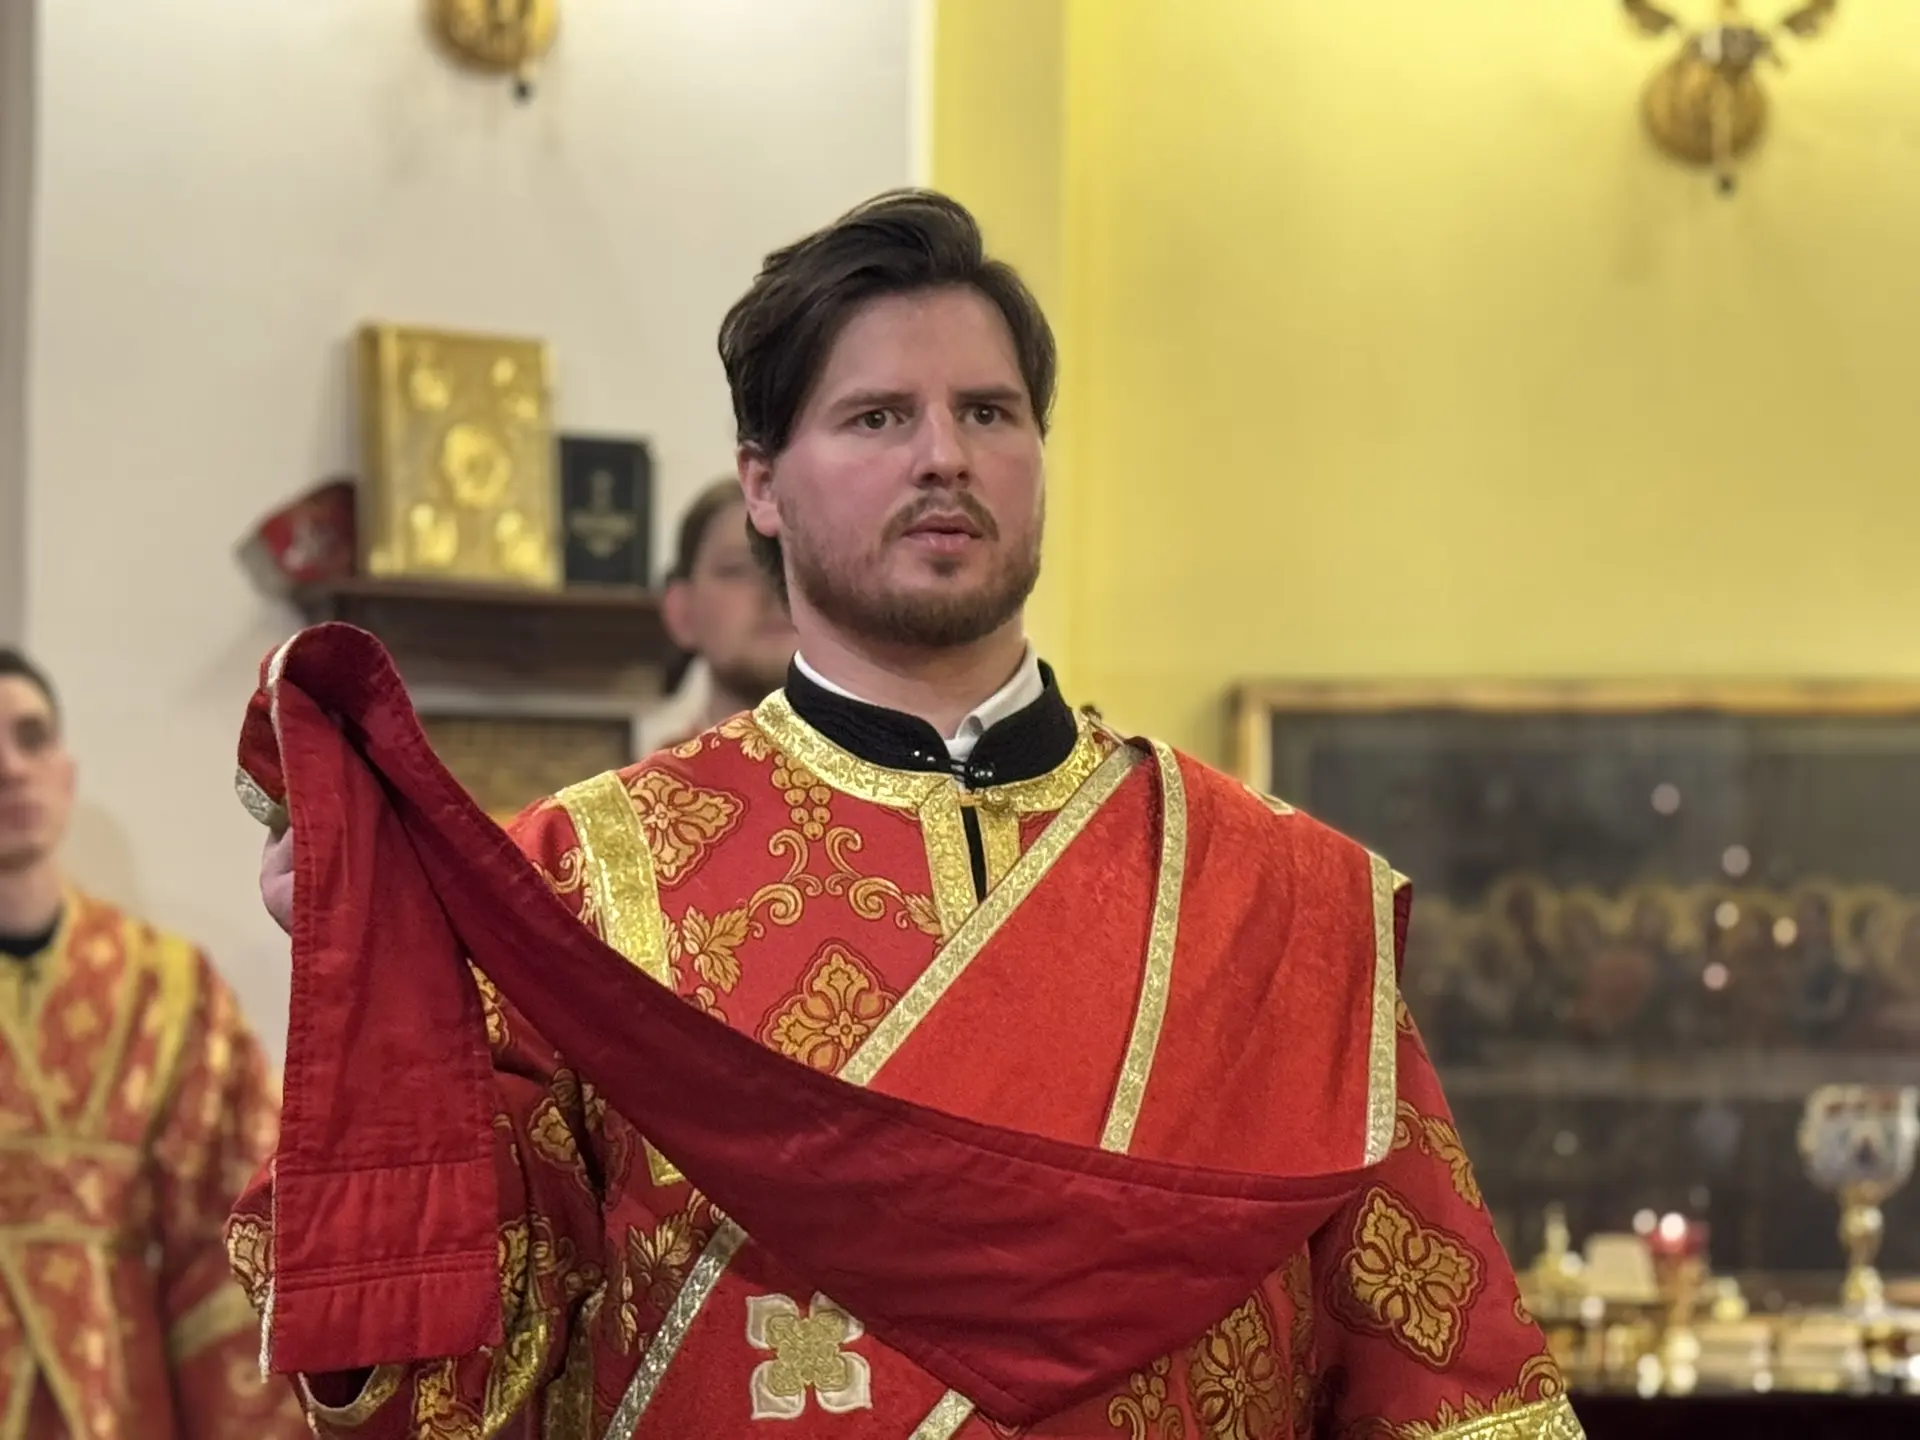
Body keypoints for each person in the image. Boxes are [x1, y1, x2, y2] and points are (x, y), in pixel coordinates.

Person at [241, 192, 1584, 1439]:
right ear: (763, 485)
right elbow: (444, 1364)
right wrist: (374, 992)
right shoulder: (578, 882)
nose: (945, 456)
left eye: (989, 412)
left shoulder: (1278, 894)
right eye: (878, 417)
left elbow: (1445, 1372)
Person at [0, 649, 305, 1438]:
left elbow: (230, 1246)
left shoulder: (167, 991)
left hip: (120, 1403)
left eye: (30, 738)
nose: (9, 768)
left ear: (64, 772)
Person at [635, 476, 798, 755]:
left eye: (799, 565)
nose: (776, 589)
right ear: (682, 613)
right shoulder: (650, 783)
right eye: (737, 569)